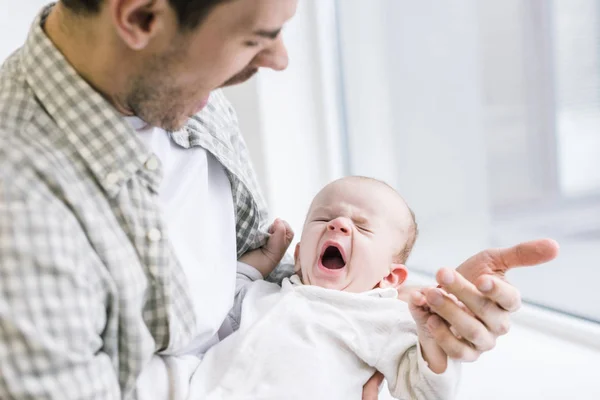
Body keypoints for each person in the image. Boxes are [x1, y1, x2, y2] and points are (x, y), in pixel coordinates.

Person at [0, 1, 559, 399]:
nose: (280, 60)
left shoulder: (189, 95)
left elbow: (272, 279)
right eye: (256, 36)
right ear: (141, 17)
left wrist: (422, 312)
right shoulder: (24, 215)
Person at [187, 176, 461, 399]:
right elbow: (220, 297)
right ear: (298, 257)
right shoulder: (264, 295)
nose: (338, 224)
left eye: (362, 228)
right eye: (323, 219)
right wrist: (265, 261)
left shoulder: (380, 318)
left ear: (389, 278)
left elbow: (425, 391)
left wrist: (432, 335)